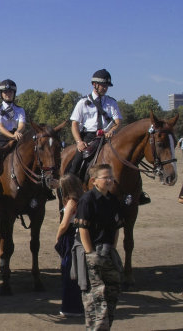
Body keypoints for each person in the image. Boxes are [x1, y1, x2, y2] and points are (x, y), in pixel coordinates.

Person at [69, 69, 151, 205]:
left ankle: (137, 191)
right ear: (94, 85)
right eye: (103, 85)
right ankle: (71, 190)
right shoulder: (83, 102)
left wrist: (112, 130)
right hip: (89, 137)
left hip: (109, 137)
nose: (106, 88)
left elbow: (118, 121)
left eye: (107, 86)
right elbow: (74, 124)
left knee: (130, 160)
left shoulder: (111, 102)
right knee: (76, 162)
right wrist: (79, 142)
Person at [73, 164, 123, 330]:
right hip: (93, 253)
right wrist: (91, 254)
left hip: (108, 252)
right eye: (106, 177)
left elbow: (116, 228)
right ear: (94, 181)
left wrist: (112, 249)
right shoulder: (87, 200)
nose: (110, 180)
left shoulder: (113, 200)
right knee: (96, 298)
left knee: (112, 294)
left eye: (111, 177)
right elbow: (83, 230)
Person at [55, 174, 84, 317]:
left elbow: (64, 224)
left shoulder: (72, 202)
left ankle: (70, 308)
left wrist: (58, 237)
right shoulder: (83, 197)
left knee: (68, 271)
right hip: (79, 235)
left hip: (70, 235)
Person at [0, 79, 26, 147]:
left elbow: (22, 125)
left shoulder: (20, 110)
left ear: (14, 93)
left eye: (10, 92)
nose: (8, 94)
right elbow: (0, 127)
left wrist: (17, 132)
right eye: (5, 92)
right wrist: (12, 136)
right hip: (0, 138)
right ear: (1, 94)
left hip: (16, 136)